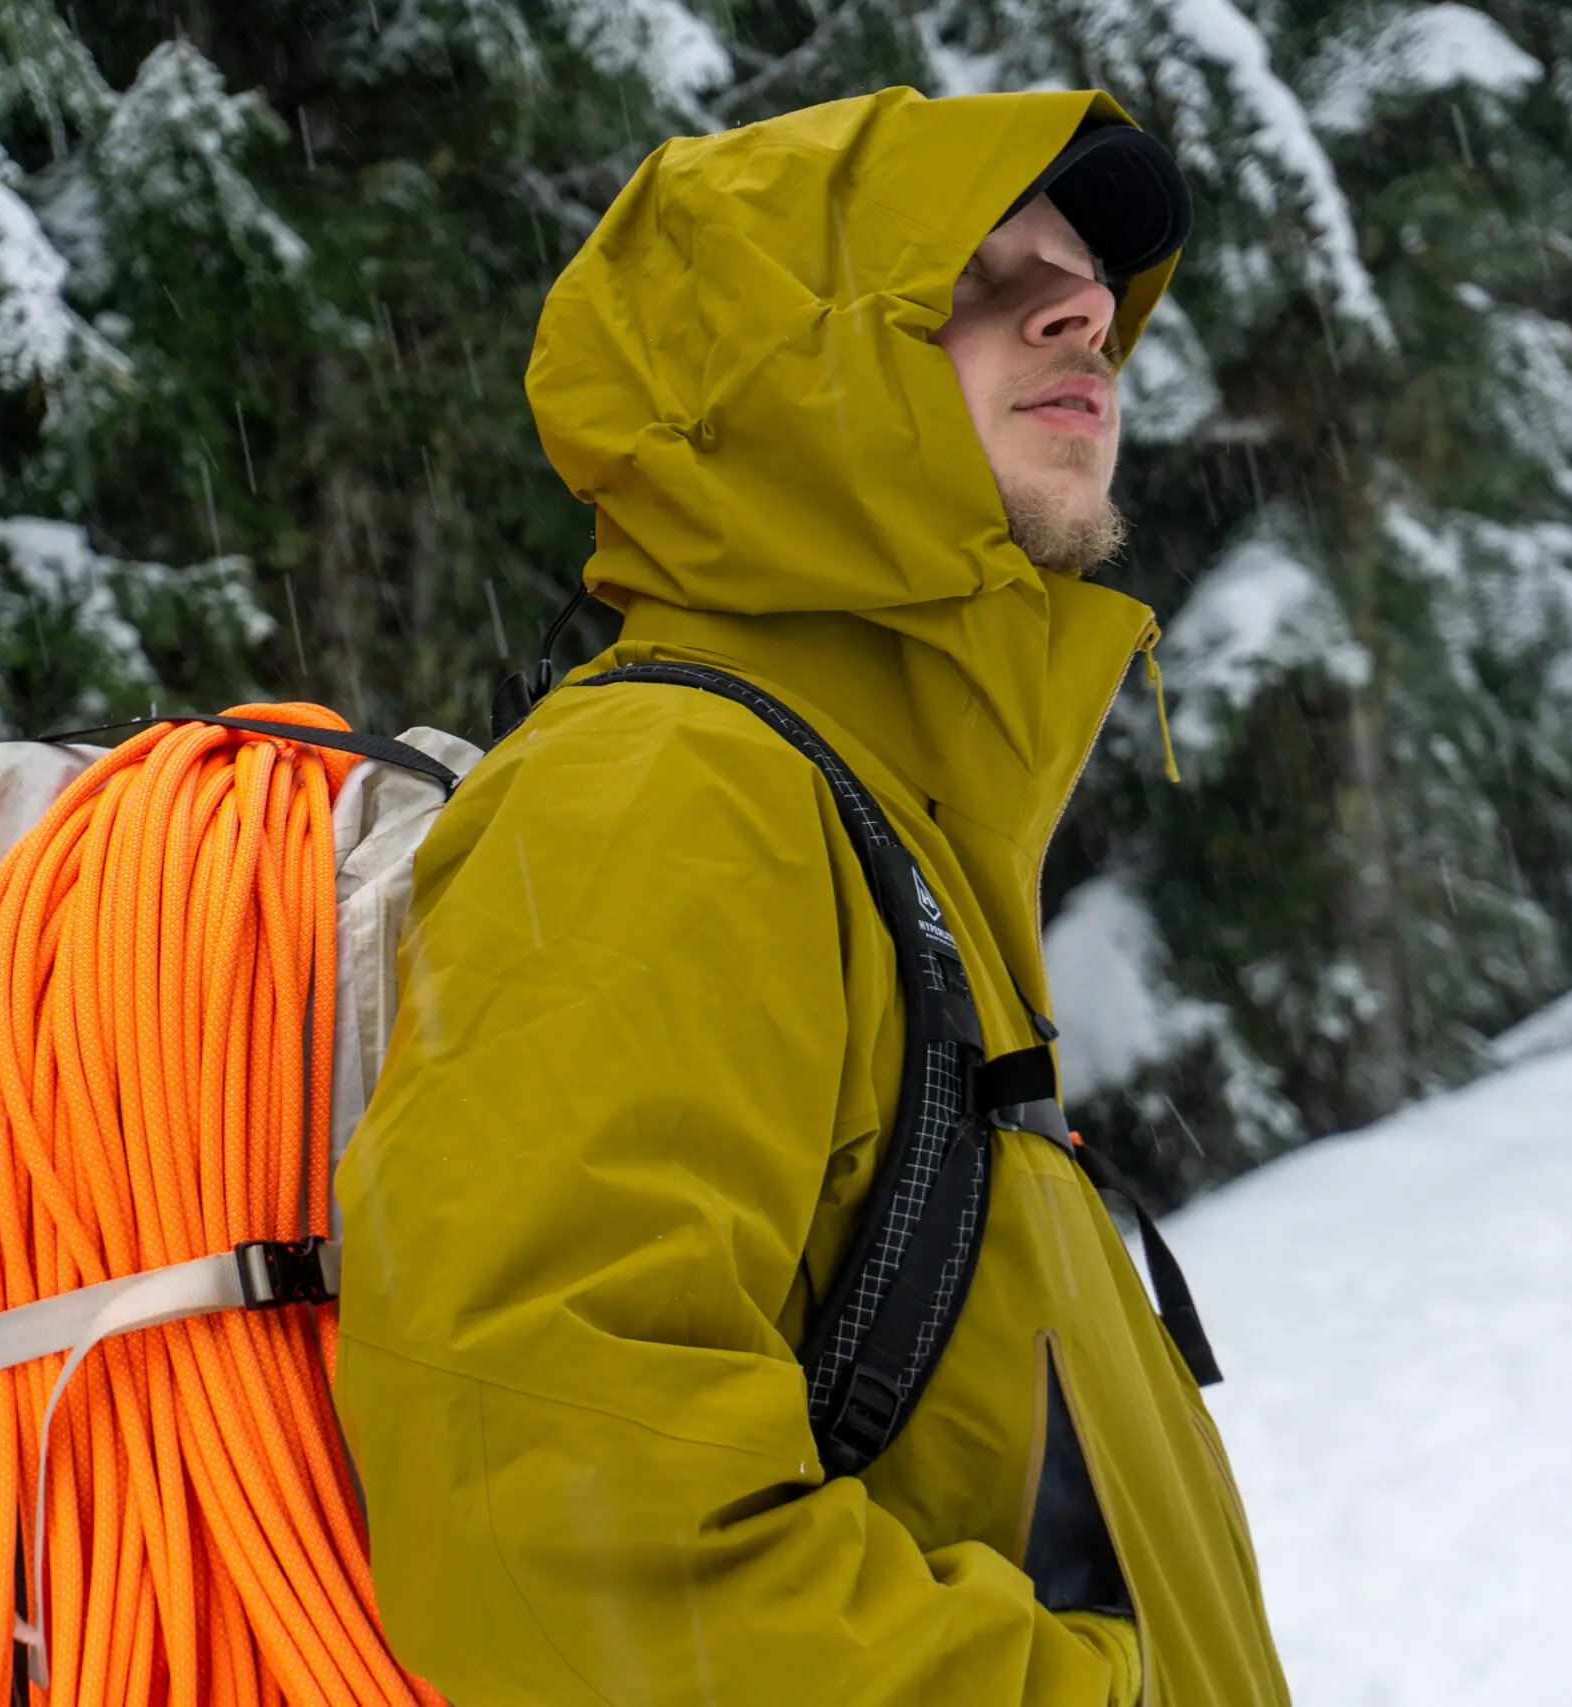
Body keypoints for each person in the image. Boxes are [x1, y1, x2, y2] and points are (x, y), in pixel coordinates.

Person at [333, 87, 1291, 1707]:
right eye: (979, 271)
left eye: (1086, 279)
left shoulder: (891, 833)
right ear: (768, 376)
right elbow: (563, 1526)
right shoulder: (668, 792)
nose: (1083, 311)